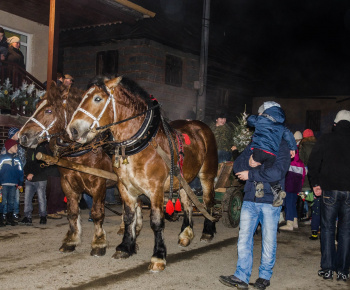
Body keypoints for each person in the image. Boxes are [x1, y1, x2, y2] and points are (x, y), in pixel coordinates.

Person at [219, 138, 291, 289]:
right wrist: (250, 162)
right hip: (250, 198)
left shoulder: (282, 144)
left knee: (268, 241)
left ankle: (264, 277)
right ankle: (241, 276)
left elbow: (278, 172)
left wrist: (253, 172)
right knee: (244, 239)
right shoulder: (254, 143)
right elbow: (238, 165)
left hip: (271, 200)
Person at [308, 110, 350, 282]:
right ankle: (343, 271)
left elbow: (313, 162)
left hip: (330, 190)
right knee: (346, 232)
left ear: (335, 124)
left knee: (327, 229)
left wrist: (316, 184)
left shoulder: (326, 139)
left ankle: (327, 269)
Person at [246, 101, 297, 207]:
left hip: (259, 150)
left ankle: (258, 185)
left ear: (265, 111)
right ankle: (277, 190)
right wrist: (293, 148)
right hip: (272, 154)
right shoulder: (281, 125)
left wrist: (253, 117)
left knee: (254, 165)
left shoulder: (261, 119)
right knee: (267, 171)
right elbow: (289, 135)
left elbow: (250, 120)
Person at [19, 142, 50, 226]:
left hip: (40, 178)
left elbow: (42, 164)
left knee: (41, 198)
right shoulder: (29, 150)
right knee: (27, 198)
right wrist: (27, 173)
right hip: (30, 179)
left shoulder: (41, 149)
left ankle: (43, 216)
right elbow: (28, 163)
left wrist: (32, 173)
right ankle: (27, 217)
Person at [1, 127, 26, 221]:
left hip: (16, 175)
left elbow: (22, 159)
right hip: (7, 178)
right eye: (17, 133)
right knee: (6, 198)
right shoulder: (7, 146)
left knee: (14, 197)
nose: (19, 135)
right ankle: (4, 213)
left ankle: (13, 213)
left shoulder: (19, 145)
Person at [299, 129, 319, 240]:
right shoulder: (318, 144)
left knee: (303, 196)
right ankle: (312, 217)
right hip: (316, 176)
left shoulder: (303, 146)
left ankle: (303, 215)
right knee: (316, 199)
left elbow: (301, 160)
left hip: (305, 176)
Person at [280, 146, 306, 231]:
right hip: (297, 187)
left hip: (288, 186)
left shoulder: (288, 161)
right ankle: (295, 222)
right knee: (293, 203)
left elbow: (283, 174)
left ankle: (289, 223)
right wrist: (300, 186)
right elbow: (303, 176)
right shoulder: (301, 163)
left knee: (288, 203)